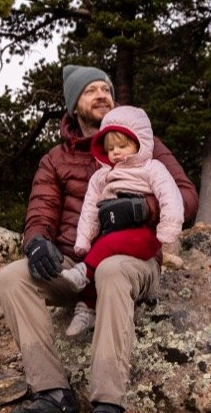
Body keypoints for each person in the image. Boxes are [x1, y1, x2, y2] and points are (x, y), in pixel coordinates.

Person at [0, 65, 197, 413]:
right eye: (91, 90)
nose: (102, 94)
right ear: (74, 105)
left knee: (111, 270)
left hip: (134, 259)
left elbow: (186, 196)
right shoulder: (56, 160)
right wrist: (37, 241)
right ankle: (53, 394)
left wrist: (143, 209)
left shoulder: (144, 144)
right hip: (76, 264)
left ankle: (108, 405)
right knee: (13, 277)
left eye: (106, 87)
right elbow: (41, 212)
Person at [64, 105, 184, 340]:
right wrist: (83, 240)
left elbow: (171, 195)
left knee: (103, 253)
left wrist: (168, 228)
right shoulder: (101, 176)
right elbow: (89, 209)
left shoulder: (152, 169)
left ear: (140, 143)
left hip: (143, 234)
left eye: (122, 146)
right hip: (109, 231)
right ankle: (86, 308)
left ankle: (83, 271)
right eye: (110, 149)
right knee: (103, 251)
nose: (116, 153)